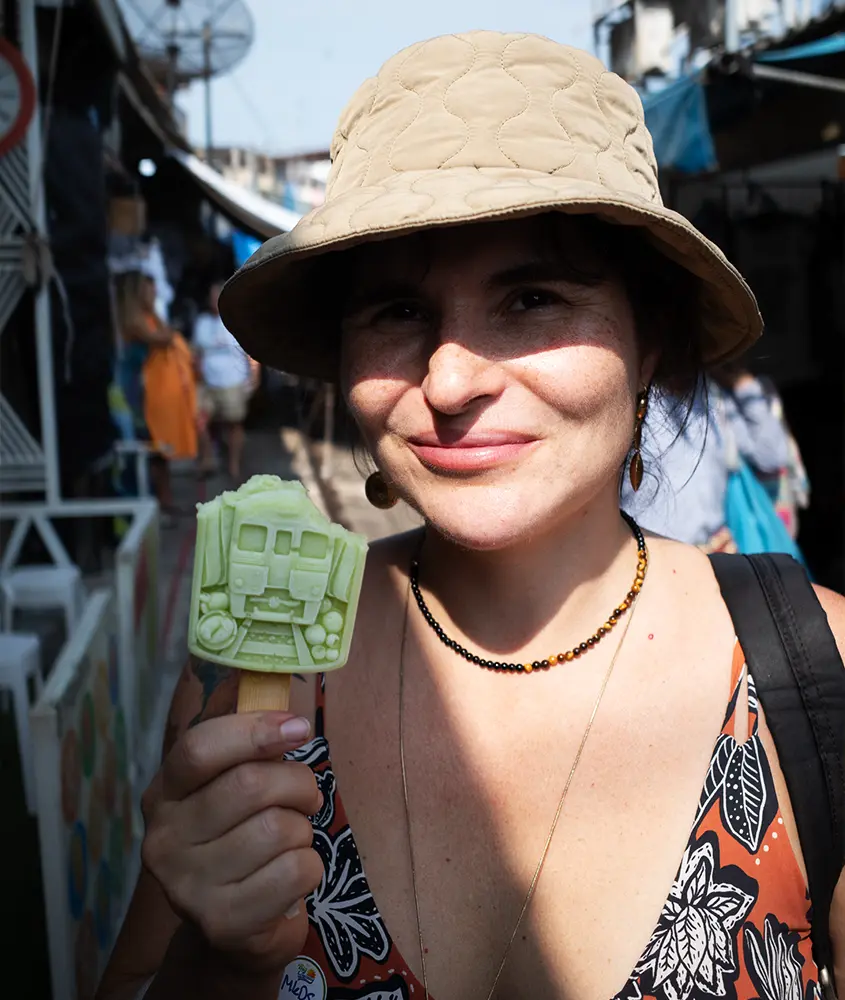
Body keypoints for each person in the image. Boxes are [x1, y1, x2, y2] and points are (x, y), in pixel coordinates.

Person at [98, 33, 845, 1000]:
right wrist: (217, 961)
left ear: (650, 338)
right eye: (397, 313)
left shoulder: (816, 675)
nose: (447, 382)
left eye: (532, 297)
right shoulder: (258, 691)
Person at [621, 368, 793, 552]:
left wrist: (742, 383)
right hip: (647, 557)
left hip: (715, 553)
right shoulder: (631, 401)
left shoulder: (714, 396)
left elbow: (772, 457)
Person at [194, 281, 255, 483]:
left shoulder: (236, 320)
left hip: (233, 381)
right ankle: (208, 458)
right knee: (200, 420)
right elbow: (196, 354)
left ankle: (233, 464)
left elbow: (251, 353)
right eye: (211, 296)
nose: (214, 300)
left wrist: (254, 377)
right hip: (208, 383)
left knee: (234, 424)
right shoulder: (201, 323)